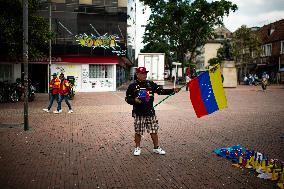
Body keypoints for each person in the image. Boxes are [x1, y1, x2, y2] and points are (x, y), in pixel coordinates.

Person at [125, 67, 181, 156]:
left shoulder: (150, 84)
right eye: (142, 74)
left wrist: (172, 90)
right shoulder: (132, 86)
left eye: (145, 73)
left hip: (150, 112)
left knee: (154, 130)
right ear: (137, 75)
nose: (144, 75)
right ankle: (137, 148)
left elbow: (160, 91)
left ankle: (156, 148)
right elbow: (127, 99)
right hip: (139, 113)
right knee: (138, 131)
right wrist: (134, 100)